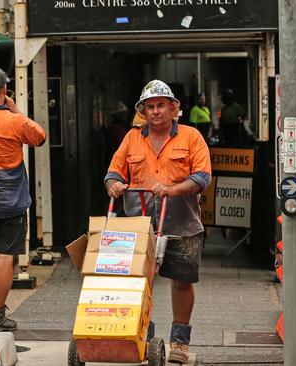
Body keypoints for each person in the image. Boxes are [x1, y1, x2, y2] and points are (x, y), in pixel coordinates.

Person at [104, 79, 211, 363]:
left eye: (161, 105)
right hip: (139, 226)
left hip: (182, 225)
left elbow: (202, 177)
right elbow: (113, 173)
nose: (155, 112)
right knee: (140, 282)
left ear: (174, 108)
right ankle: (144, 337)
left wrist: (173, 189)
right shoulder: (131, 138)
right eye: (149, 107)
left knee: (181, 282)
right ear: (143, 111)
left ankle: (179, 341)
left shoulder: (191, 137)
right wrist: (113, 184)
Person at [0, 66, 46, 331]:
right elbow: (39, 136)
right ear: (5, 90)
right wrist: (15, 110)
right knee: (2, 258)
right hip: (10, 202)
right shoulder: (15, 121)